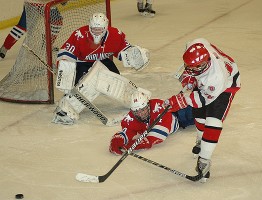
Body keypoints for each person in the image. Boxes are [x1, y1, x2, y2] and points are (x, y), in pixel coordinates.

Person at [164, 38, 241, 182]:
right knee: (198, 115)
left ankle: (204, 160)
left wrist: (181, 100)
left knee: (213, 120)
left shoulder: (216, 77)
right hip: (207, 81)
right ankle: (201, 139)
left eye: (194, 68)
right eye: (189, 67)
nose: (190, 70)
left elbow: (203, 99)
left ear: (204, 64)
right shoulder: (197, 44)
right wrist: (188, 77)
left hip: (226, 85)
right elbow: (192, 52)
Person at [52, 13, 150, 125]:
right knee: (88, 84)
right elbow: (66, 53)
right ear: (89, 26)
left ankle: (136, 100)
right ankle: (66, 108)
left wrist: (134, 56)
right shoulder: (79, 35)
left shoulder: (115, 34)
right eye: (94, 29)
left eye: (100, 29)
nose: (96, 32)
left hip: (103, 61)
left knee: (115, 81)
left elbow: (124, 51)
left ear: (106, 27)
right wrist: (64, 71)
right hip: (83, 63)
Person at [109, 92, 194, 155]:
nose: (140, 114)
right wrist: (117, 140)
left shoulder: (160, 107)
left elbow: (159, 135)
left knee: (201, 111)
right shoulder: (132, 116)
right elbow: (127, 130)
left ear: (148, 105)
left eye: (143, 110)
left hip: (180, 115)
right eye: (136, 112)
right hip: (177, 121)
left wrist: (138, 143)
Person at [0, 3, 64, 60]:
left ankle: (4, 48)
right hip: (39, 2)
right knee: (57, 22)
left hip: (33, 2)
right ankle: (46, 45)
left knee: (23, 26)